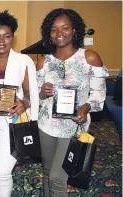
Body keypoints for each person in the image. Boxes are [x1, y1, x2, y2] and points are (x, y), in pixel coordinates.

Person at [37, 8, 108, 197]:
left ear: (75, 30)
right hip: (46, 125)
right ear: (48, 33)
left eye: (65, 28)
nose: (59, 33)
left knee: (57, 178)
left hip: (73, 126)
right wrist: (42, 92)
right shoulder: (44, 61)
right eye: (54, 29)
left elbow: (98, 96)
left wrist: (86, 106)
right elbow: (37, 95)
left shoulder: (89, 58)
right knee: (47, 172)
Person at [0, 10, 39, 197]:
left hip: (13, 122)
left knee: (0, 171)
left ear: (13, 38)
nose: (1, 41)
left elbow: (31, 93)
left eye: (7, 36)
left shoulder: (23, 61)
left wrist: (24, 103)